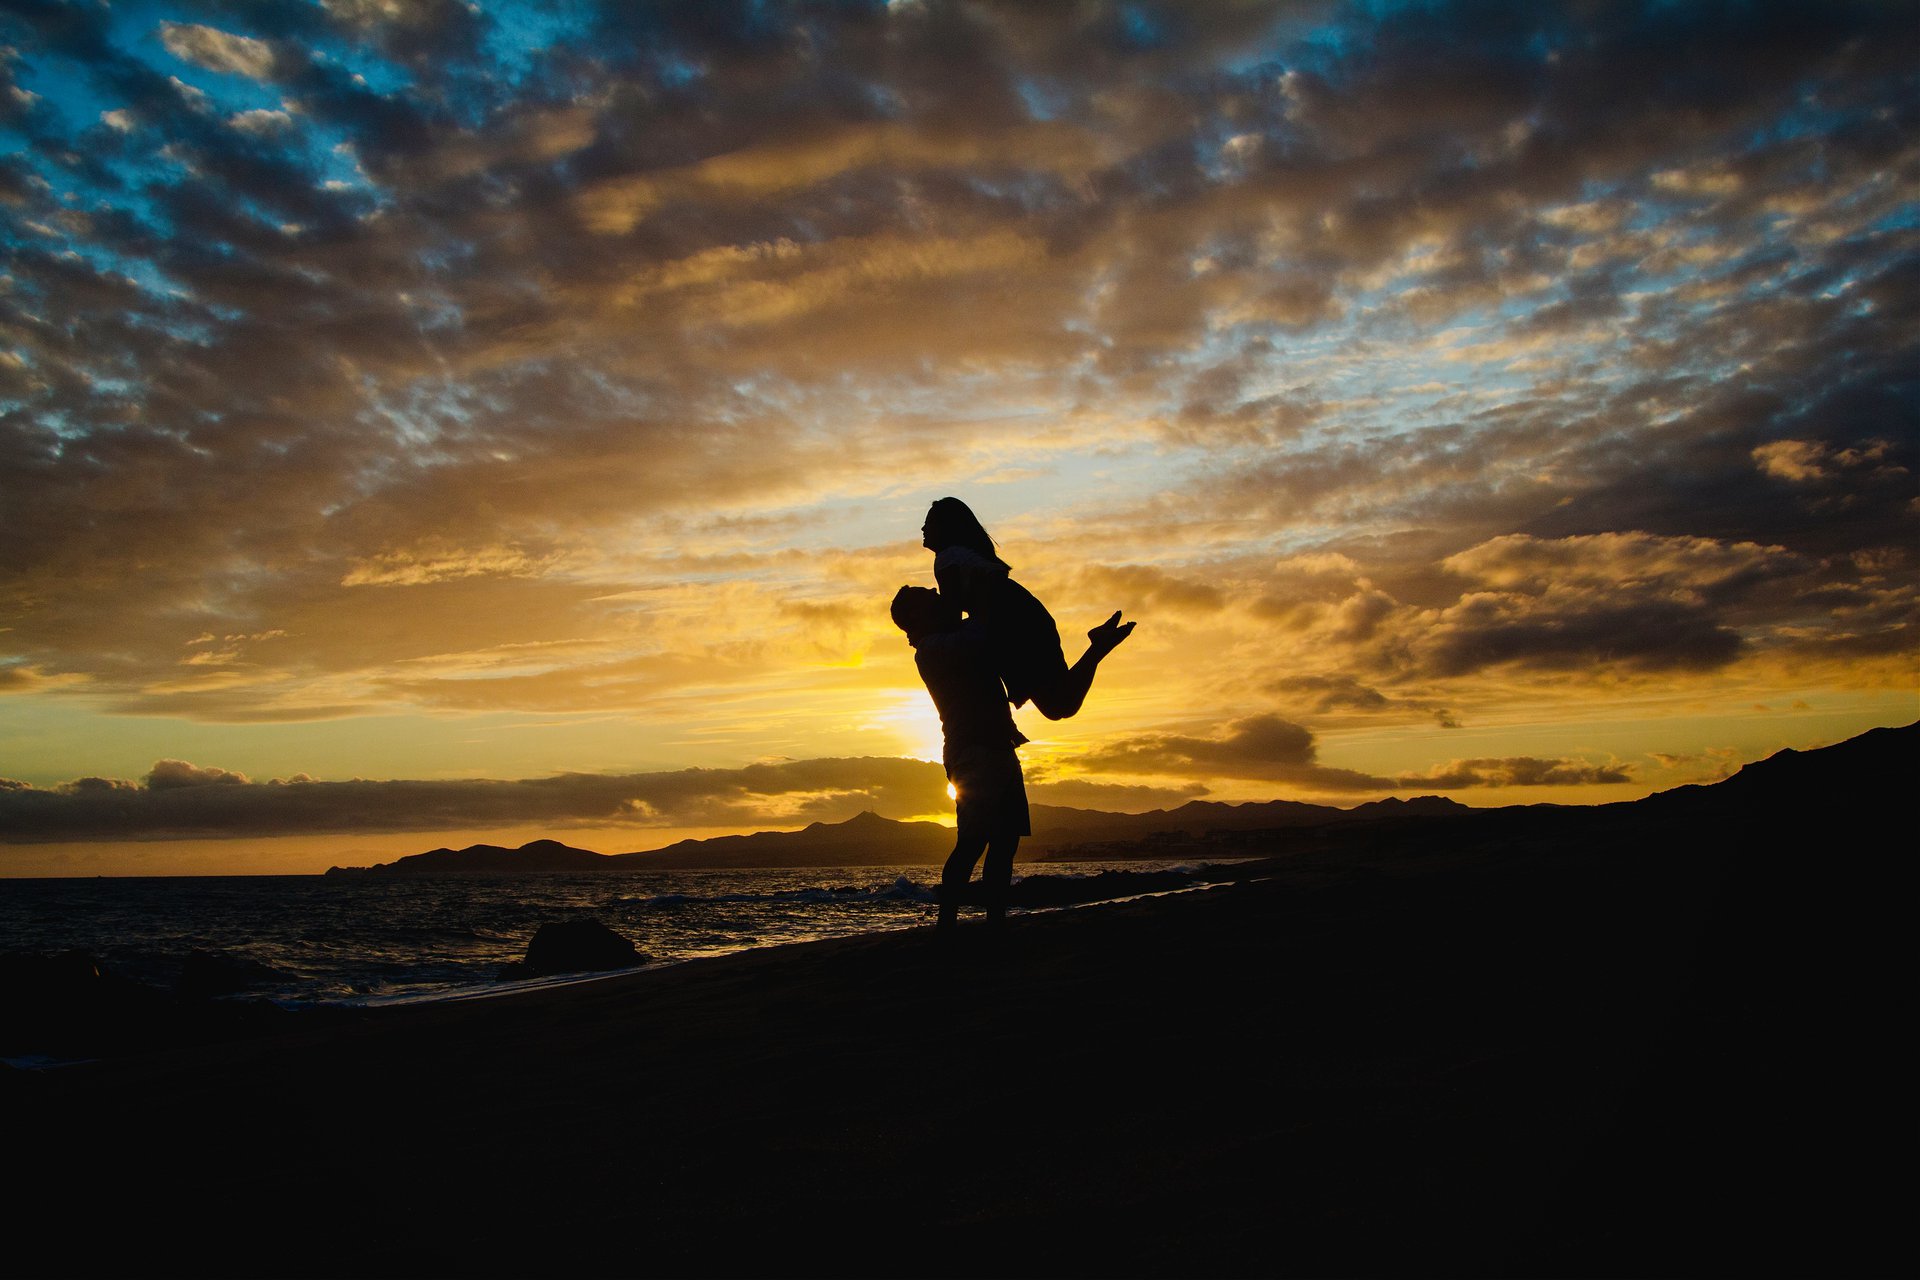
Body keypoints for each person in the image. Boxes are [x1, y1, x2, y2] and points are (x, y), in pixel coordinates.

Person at [890, 585, 1028, 931]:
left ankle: (994, 922)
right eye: (932, 598)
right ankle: (948, 926)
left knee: (1004, 841)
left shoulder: (948, 638)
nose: (941, 598)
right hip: (974, 751)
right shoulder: (933, 649)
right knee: (973, 841)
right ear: (916, 617)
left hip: (995, 746)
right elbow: (981, 632)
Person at [920, 496, 1133, 720]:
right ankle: (1098, 647)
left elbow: (951, 617)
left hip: (1012, 621)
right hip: (1022, 613)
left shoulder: (946, 559)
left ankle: (1098, 648)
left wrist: (926, 640)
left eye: (930, 523)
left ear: (947, 527)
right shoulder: (962, 556)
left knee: (1059, 704)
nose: (923, 528)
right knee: (1058, 704)